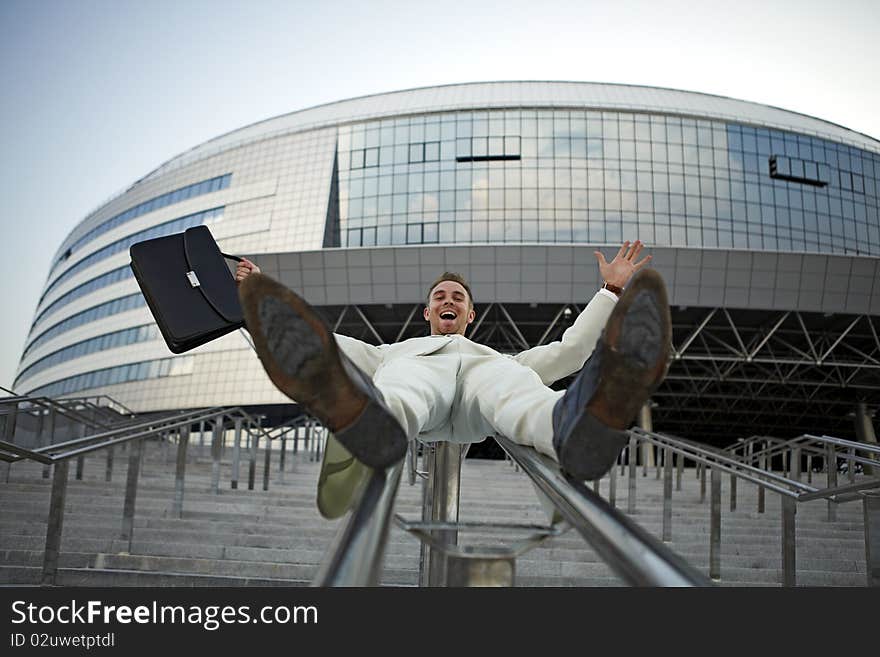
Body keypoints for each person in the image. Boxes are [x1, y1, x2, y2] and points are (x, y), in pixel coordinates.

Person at [235, 241, 671, 482]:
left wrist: (610, 292)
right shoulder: (395, 351)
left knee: (517, 388)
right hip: (417, 389)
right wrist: (260, 303)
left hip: (483, 391)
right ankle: (377, 423)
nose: (449, 301)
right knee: (402, 382)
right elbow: (328, 346)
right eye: (440, 298)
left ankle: (566, 428)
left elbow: (571, 351)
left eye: (457, 298)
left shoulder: (500, 358)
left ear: (470, 313)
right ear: (427, 313)